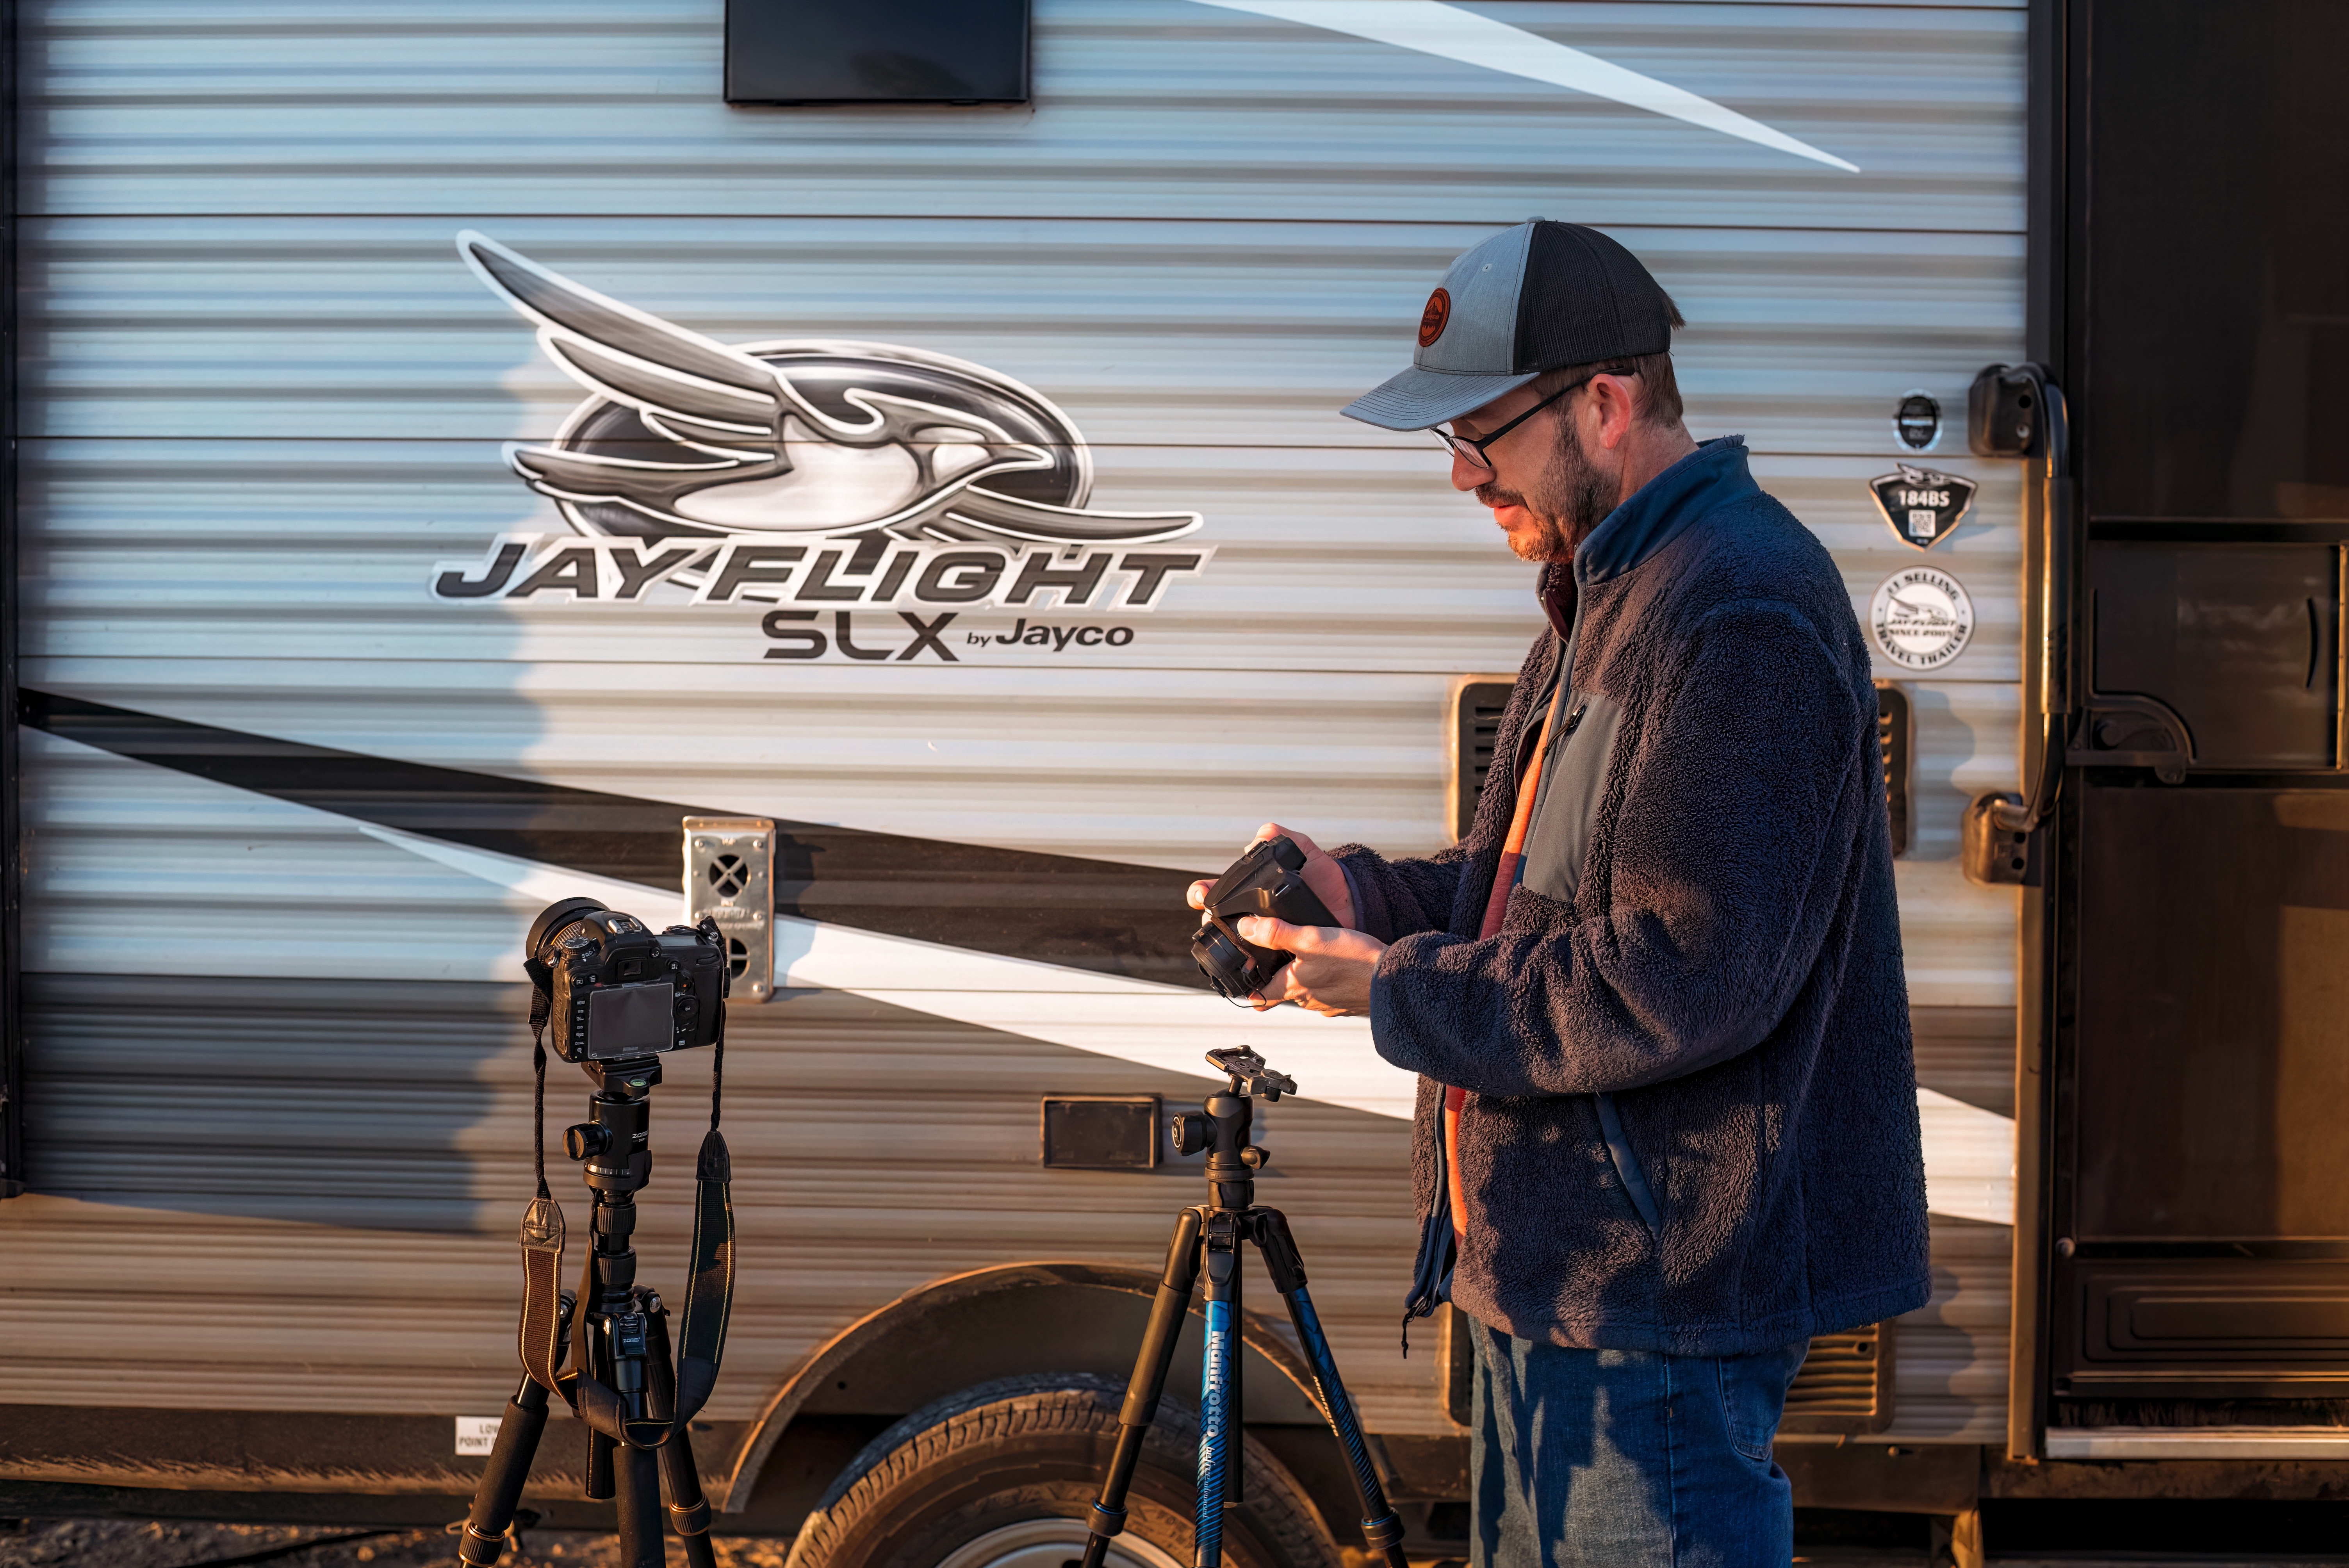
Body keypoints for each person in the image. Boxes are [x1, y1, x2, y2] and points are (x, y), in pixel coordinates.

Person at [1187, 221, 1929, 1567]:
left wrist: (1394, 989)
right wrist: (1355, 889)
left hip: (1654, 1310)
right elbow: (1527, 893)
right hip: (1557, 1285)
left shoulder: (1738, 608)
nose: (1466, 477)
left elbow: (1680, 970)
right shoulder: (1611, 593)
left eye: (1487, 434)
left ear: (1608, 399)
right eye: (1450, 443)